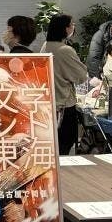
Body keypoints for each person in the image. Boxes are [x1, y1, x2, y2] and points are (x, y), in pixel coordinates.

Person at [42, 14, 88, 156]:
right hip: (64, 104)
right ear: (65, 28)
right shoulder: (65, 50)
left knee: (52, 146)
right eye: (72, 24)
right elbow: (81, 76)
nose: (74, 27)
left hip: (48, 103)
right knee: (64, 145)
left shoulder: (45, 46)